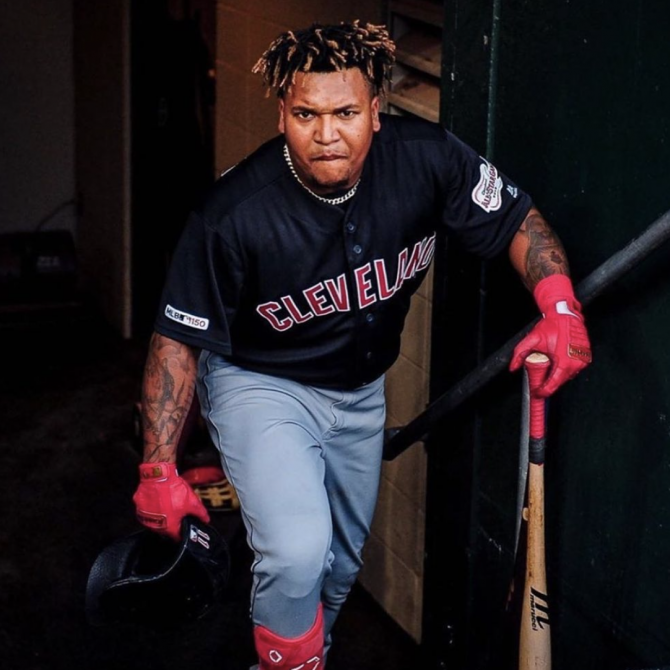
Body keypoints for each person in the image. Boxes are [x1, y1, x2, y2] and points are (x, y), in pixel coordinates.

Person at [132, 20, 592, 670]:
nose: (326, 134)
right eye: (306, 114)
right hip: (261, 381)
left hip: (360, 391)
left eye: (345, 112)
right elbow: (176, 341)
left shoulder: (427, 159)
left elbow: (518, 220)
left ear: (376, 111)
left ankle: (296, 655)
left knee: (337, 568)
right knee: (297, 550)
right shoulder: (233, 212)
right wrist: (158, 468)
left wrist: (561, 305)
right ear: (282, 114)